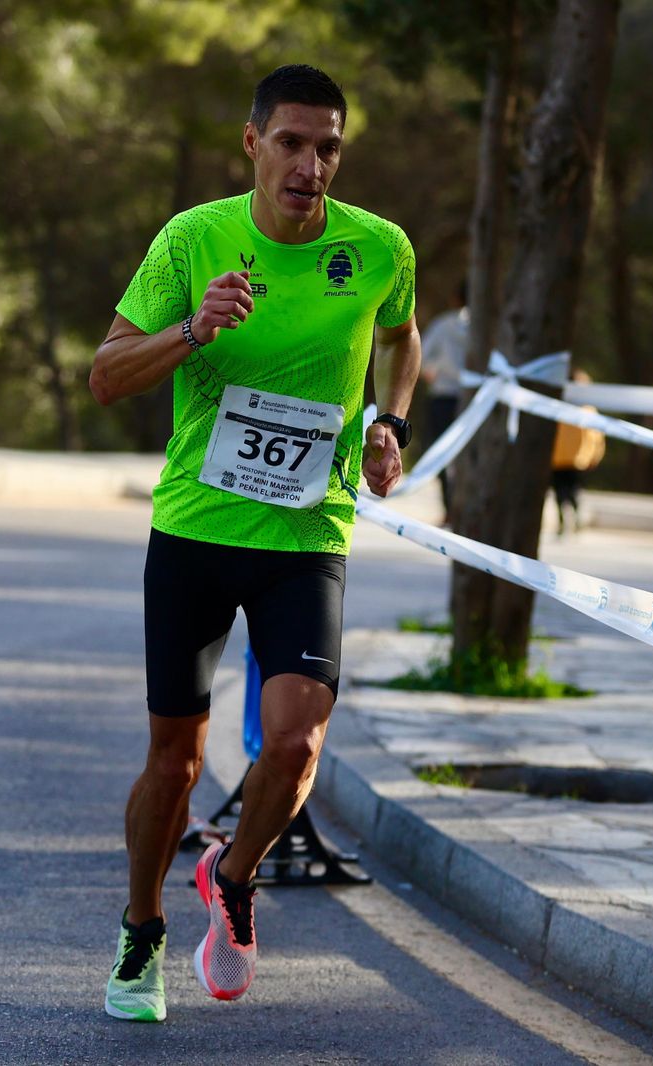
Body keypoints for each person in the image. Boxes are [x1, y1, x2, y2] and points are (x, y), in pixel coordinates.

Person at [87, 64, 419, 1022]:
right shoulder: (194, 240)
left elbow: (403, 341)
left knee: (298, 739)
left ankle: (232, 875)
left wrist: (387, 422)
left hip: (309, 533)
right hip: (196, 528)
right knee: (175, 764)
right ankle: (142, 931)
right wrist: (194, 329)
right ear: (252, 143)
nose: (310, 165)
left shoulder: (380, 246)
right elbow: (106, 376)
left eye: (328, 147)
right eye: (292, 143)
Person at [417, 282, 469, 514]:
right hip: (475, 399)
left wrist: (435, 372)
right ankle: (464, 506)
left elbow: (421, 354)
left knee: (442, 451)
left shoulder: (443, 324)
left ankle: (450, 506)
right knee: (466, 452)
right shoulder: (487, 326)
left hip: (443, 396)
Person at [549, 368, 605, 535]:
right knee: (566, 492)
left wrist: (594, 455)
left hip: (569, 459)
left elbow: (596, 437)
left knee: (568, 492)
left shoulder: (565, 407)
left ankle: (571, 520)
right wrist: (595, 456)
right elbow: (596, 437)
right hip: (568, 459)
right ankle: (567, 521)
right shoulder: (585, 409)